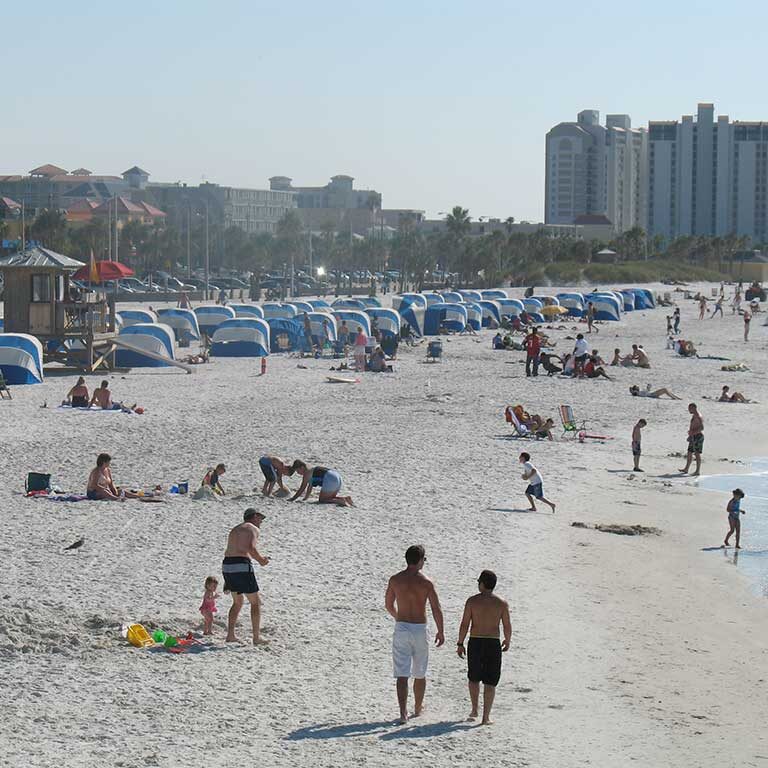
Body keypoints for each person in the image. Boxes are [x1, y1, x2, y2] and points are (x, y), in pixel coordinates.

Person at [385, 545, 445, 724]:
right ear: (419, 561)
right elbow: (436, 608)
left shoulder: (395, 580)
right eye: (424, 560)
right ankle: (417, 708)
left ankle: (403, 713)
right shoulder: (426, 582)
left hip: (402, 627)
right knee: (420, 671)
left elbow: (388, 604)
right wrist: (440, 631)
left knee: (401, 672)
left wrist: (399, 618)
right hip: (419, 627)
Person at [456, 570, 511, 725]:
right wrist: (508, 640)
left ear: (482, 583)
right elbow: (507, 625)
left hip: (476, 641)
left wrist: (460, 643)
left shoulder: (472, 601)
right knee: (490, 681)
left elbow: (465, 624)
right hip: (493, 643)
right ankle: (486, 717)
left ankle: (474, 709)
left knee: (474, 677)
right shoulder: (501, 603)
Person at [222, 509, 270, 645]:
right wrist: (262, 561)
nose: (261, 522)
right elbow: (251, 548)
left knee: (237, 602)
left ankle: (230, 635)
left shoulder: (236, 529)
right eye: (260, 518)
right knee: (255, 602)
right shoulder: (252, 528)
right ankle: (256, 638)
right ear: (254, 516)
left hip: (227, 565)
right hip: (241, 565)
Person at [287, 460, 353, 506]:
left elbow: (302, 489)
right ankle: (346, 498)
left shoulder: (306, 474)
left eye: (298, 471)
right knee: (331, 498)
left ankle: (340, 501)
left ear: (302, 467)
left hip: (330, 478)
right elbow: (310, 487)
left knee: (322, 500)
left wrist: (292, 499)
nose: (298, 473)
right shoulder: (311, 469)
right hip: (337, 476)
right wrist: (305, 498)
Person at [679, 403, 704, 476]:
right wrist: (690, 435)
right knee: (689, 452)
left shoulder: (698, 416)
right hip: (693, 436)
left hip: (698, 437)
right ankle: (686, 469)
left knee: (697, 454)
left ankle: (697, 471)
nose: (689, 410)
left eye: (690, 408)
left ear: (694, 408)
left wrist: (693, 432)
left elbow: (702, 428)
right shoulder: (694, 415)